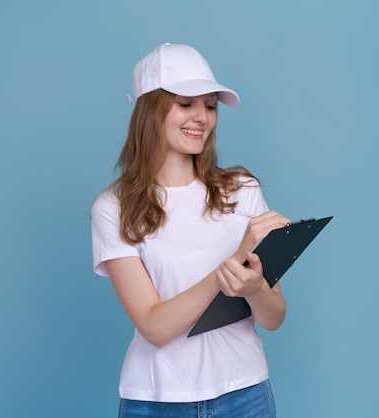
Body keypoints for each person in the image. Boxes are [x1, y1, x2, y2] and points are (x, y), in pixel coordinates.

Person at [91, 43, 290, 418]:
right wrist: (230, 266)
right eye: (186, 104)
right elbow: (154, 325)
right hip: (156, 402)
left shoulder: (242, 190)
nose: (202, 117)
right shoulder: (114, 209)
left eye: (210, 106)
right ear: (150, 109)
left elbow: (274, 318)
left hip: (245, 395)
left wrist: (255, 289)